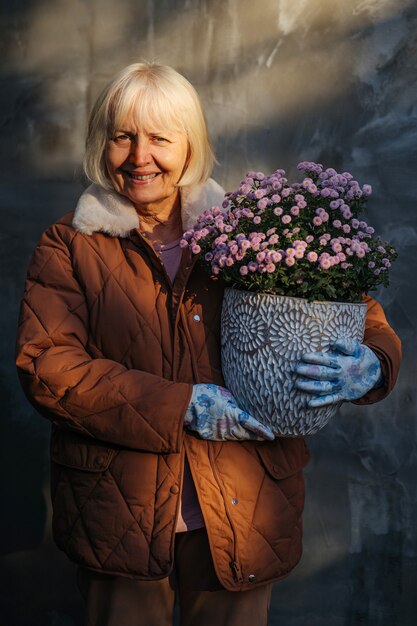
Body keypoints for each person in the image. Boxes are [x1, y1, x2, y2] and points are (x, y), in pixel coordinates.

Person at [15, 62, 401, 626]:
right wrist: (184, 406)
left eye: (159, 138)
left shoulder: (249, 232)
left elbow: (358, 313)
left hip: (244, 512)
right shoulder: (71, 244)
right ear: (104, 142)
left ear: (191, 145)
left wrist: (372, 361)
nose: (137, 155)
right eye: (122, 136)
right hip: (120, 514)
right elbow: (48, 366)